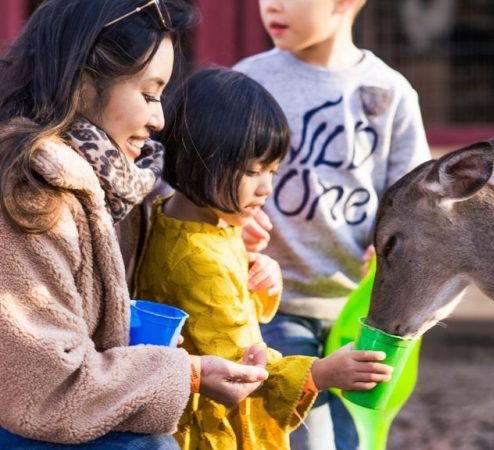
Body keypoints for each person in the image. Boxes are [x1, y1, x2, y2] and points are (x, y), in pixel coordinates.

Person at [0, 1, 271, 448]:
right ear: (83, 82)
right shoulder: (31, 189)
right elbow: (46, 388)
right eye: (148, 94)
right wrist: (189, 373)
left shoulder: (115, 185)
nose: (159, 119)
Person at [135, 67, 393, 450]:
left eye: (272, 171)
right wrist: (320, 373)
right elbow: (235, 377)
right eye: (252, 172)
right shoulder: (198, 260)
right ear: (200, 160)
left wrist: (253, 267)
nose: (266, 188)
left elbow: (218, 314)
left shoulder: (172, 216)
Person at [233, 0, 431, 448]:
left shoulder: (390, 91)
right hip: (273, 305)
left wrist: (388, 242)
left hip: (360, 313)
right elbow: (208, 181)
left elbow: (415, 204)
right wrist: (234, 221)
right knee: (307, 439)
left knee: (357, 440)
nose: (272, 7)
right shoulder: (249, 81)